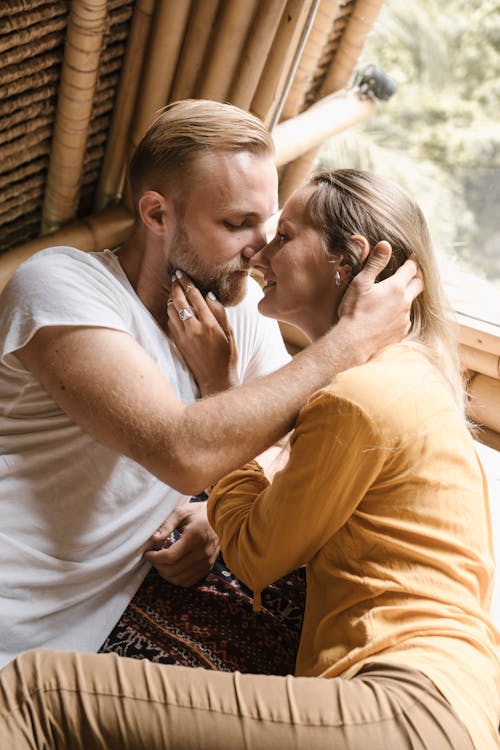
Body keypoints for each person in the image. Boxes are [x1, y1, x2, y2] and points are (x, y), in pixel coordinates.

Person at [1, 169, 498, 750]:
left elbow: (255, 555)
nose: (260, 252)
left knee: (34, 693)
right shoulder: (408, 380)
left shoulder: (360, 396)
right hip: (445, 702)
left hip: (412, 704)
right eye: (244, 226)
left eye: (283, 236)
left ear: (351, 259)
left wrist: (218, 389)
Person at [0, 101, 420, 669]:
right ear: (156, 215)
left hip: (82, 629)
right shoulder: (59, 287)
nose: (261, 249)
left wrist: (214, 518)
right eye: (235, 224)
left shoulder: (233, 305)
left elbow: (286, 431)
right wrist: (348, 340)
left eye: (267, 222)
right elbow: (182, 451)